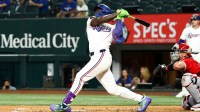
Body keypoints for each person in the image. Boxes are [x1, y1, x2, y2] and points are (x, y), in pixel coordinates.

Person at [50, 4, 151, 112]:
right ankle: (143, 99)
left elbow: (119, 36)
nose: (97, 11)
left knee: (80, 77)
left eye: (99, 9)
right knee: (112, 89)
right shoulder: (91, 20)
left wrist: (120, 19)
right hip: (97, 58)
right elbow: (97, 21)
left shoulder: (111, 27)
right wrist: (116, 14)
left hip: (102, 56)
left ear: (105, 11)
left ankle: (64, 105)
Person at [154, 43, 200, 111]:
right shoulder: (186, 60)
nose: (177, 53)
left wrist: (173, 62)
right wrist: (165, 68)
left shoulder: (189, 60)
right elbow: (174, 66)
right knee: (185, 104)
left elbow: (177, 66)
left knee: (186, 78)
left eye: (179, 51)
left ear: (185, 54)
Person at [174, 14, 200, 98]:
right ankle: (184, 91)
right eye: (192, 19)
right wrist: (176, 46)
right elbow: (181, 41)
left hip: (199, 53)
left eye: (195, 19)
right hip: (189, 55)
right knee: (186, 72)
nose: (193, 21)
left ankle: (196, 91)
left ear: (199, 21)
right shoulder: (187, 29)